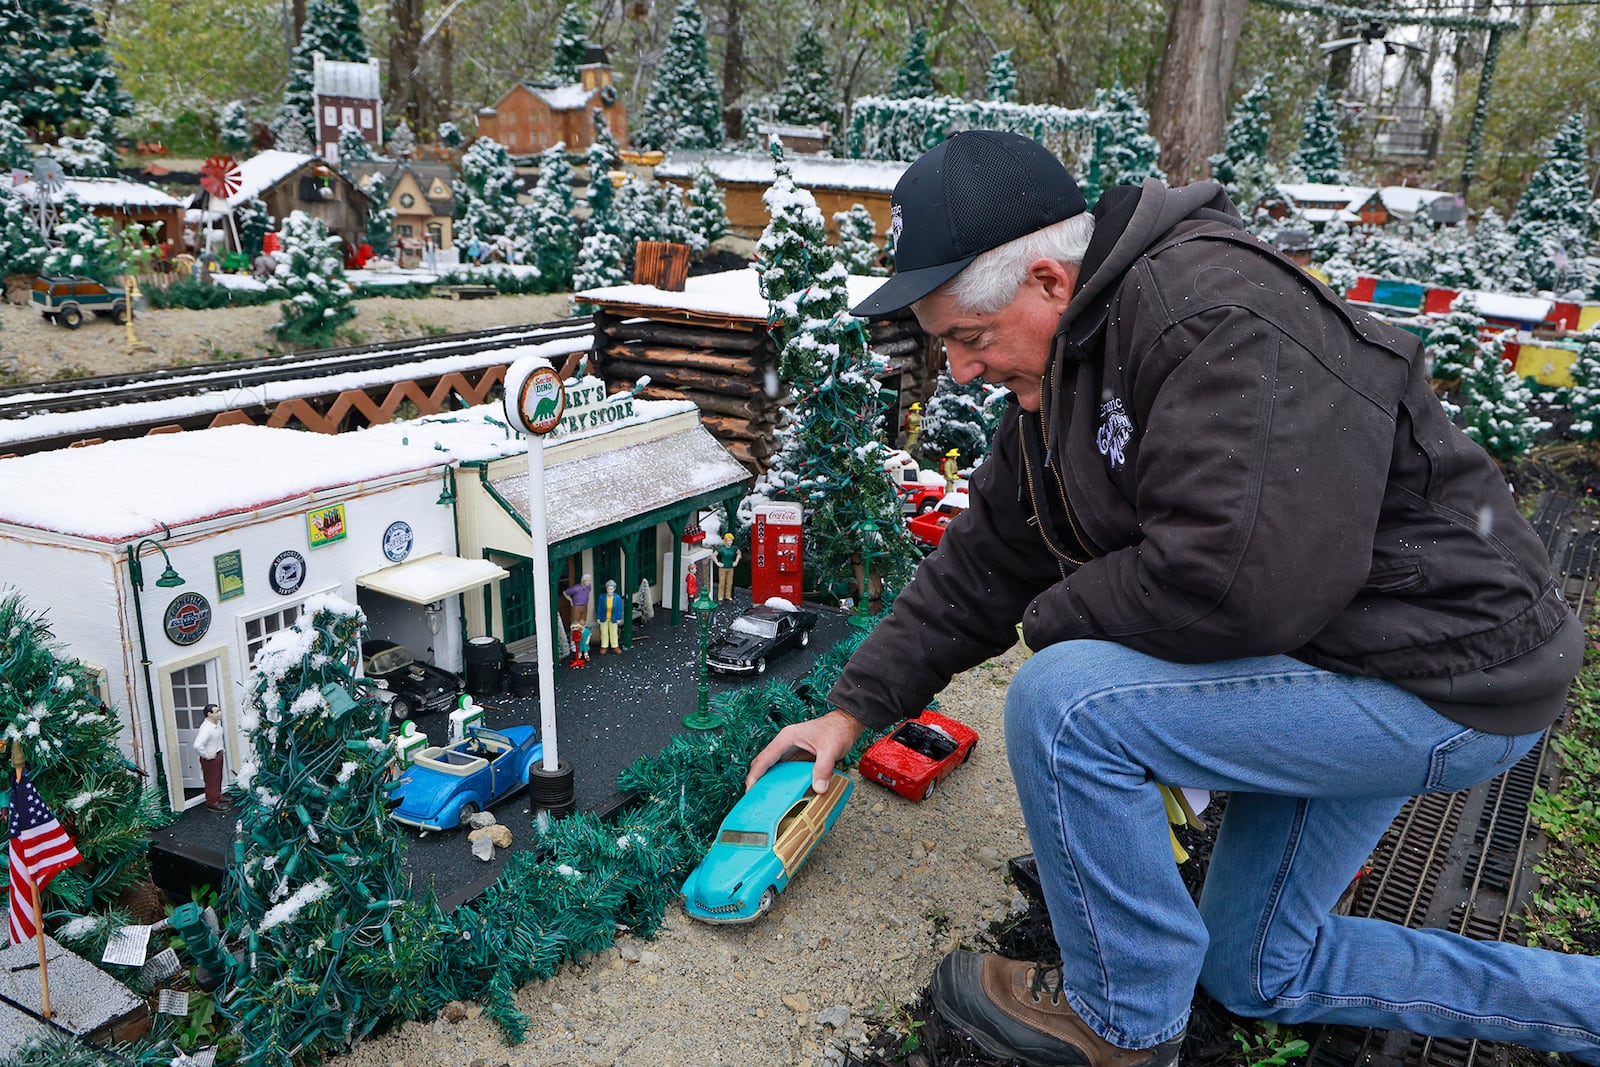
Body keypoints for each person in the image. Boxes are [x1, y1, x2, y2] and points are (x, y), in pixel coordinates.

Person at [746, 130, 1596, 1067]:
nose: (957, 370)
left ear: (1048, 283)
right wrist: (854, 708)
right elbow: (990, 548)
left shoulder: (1217, 320)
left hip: (1447, 674)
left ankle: (1123, 1020)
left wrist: (1050, 627)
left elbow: (1234, 583)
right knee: (1256, 968)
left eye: (968, 339)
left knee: (1071, 706)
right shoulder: (1063, 369)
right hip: (1353, 649)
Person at [193, 704, 228, 812]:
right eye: (216, 712)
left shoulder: (217, 725)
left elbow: (218, 739)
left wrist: (221, 749)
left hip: (217, 754)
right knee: (211, 780)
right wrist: (206, 755)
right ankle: (212, 802)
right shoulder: (206, 729)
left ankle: (217, 796)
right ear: (209, 714)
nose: (219, 713)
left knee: (218, 778)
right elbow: (197, 745)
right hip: (210, 759)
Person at [596, 579, 625, 654]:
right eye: (608, 589)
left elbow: (619, 608)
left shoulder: (617, 598)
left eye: (611, 589)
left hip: (613, 617)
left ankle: (615, 646)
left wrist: (619, 618)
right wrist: (598, 617)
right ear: (606, 589)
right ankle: (604, 646)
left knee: (613, 632)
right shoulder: (602, 597)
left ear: (614, 589)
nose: (610, 591)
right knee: (604, 632)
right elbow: (599, 607)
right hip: (604, 617)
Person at [714, 533, 741, 602]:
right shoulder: (722, 549)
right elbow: (714, 555)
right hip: (723, 567)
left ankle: (728, 596)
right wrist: (717, 563)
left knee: (729, 583)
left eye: (731, 540)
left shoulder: (734, 548)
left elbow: (739, 553)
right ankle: (720, 596)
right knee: (722, 582)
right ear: (725, 541)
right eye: (728, 540)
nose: (730, 542)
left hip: (730, 567)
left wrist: (736, 561)